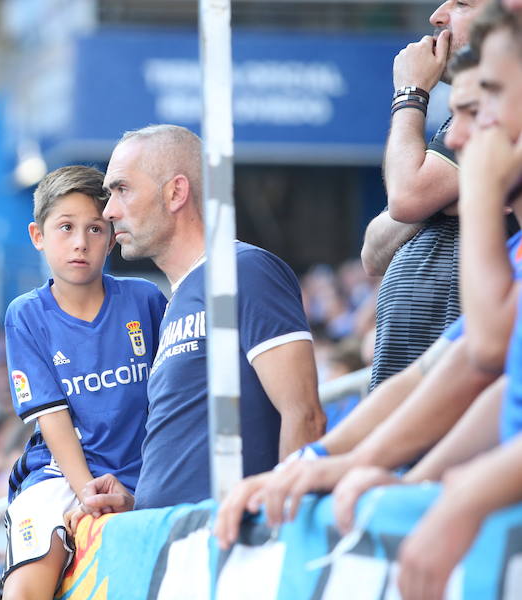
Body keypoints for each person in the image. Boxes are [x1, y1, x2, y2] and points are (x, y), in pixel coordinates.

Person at [213, 44, 522, 549]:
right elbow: (459, 369)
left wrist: (455, 494)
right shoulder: (511, 250)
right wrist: (323, 463)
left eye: (472, 115)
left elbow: (483, 356)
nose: (459, 137)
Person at [67, 125, 324, 528]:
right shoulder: (174, 305)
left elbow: (304, 415)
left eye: (121, 189)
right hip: (173, 547)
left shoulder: (245, 269)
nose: (108, 211)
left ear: (175, 192)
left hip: (231, 552)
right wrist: (137, 504)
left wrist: (283, 532)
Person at [2, 165, 166, 599]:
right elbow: (51, 417)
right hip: (63, 474)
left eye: (95, 228)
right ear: (38, 235)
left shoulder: (146, 299)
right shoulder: (26, 314)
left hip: (141, 472)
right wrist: (85, 493)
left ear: (112, 237)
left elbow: (173, 397)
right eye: (66, 227)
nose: (81, 242)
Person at [361, 0, 487, 390]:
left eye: (462, 3)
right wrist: (432, 199)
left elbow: (404, 198)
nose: (437, 16)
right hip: (415, 393)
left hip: (457, 399)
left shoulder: (502, 113)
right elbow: (372, 250)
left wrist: (411, 93)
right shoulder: (466, 122)